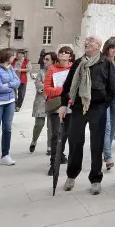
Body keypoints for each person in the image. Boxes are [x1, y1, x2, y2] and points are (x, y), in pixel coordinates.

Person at [59, 35, 115, 195]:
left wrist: (103, 104)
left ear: (98, 47)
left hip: (97, 108)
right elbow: (67, 86)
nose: (87, 44)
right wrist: (64, 104)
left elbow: (113, 89)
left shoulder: (105, 63)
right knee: (75, 142)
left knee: (96, 144)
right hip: (78, 107)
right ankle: (71, 175)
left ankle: (96, 179)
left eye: (90, 43)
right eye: (86, 42)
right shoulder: (78, 63)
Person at [44, 46, 74, 176]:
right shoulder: (52, 69)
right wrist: (63, 89)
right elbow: (47, 89)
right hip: (56, 105)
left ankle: (60, 155)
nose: (63, 53)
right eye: (61, 52)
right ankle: (53, 164)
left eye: (66, 52)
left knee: (66, 133)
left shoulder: (74, 69)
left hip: (70, 106)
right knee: (56, 134)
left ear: (70, 56)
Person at [101, 37, 115, 170]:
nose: (114, 50)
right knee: (107, 127)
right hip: (105, 99)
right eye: (111, 48)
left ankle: (105, 150)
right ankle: (108, 156)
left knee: (113, 127)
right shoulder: (102, 62)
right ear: (107, 48)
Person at [29, 52, 54, 154]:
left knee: (51, 125)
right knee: (39, 124)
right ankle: (34, 140)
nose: (44, 61)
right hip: (41, 101)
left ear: (53, 61)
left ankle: (49, 146)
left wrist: (47, 87)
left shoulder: (56, 72)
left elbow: (58, 86)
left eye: (47, 59)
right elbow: (38, 84)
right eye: (44, 59)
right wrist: (48, 88)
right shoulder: (41, 72)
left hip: (53, 101)